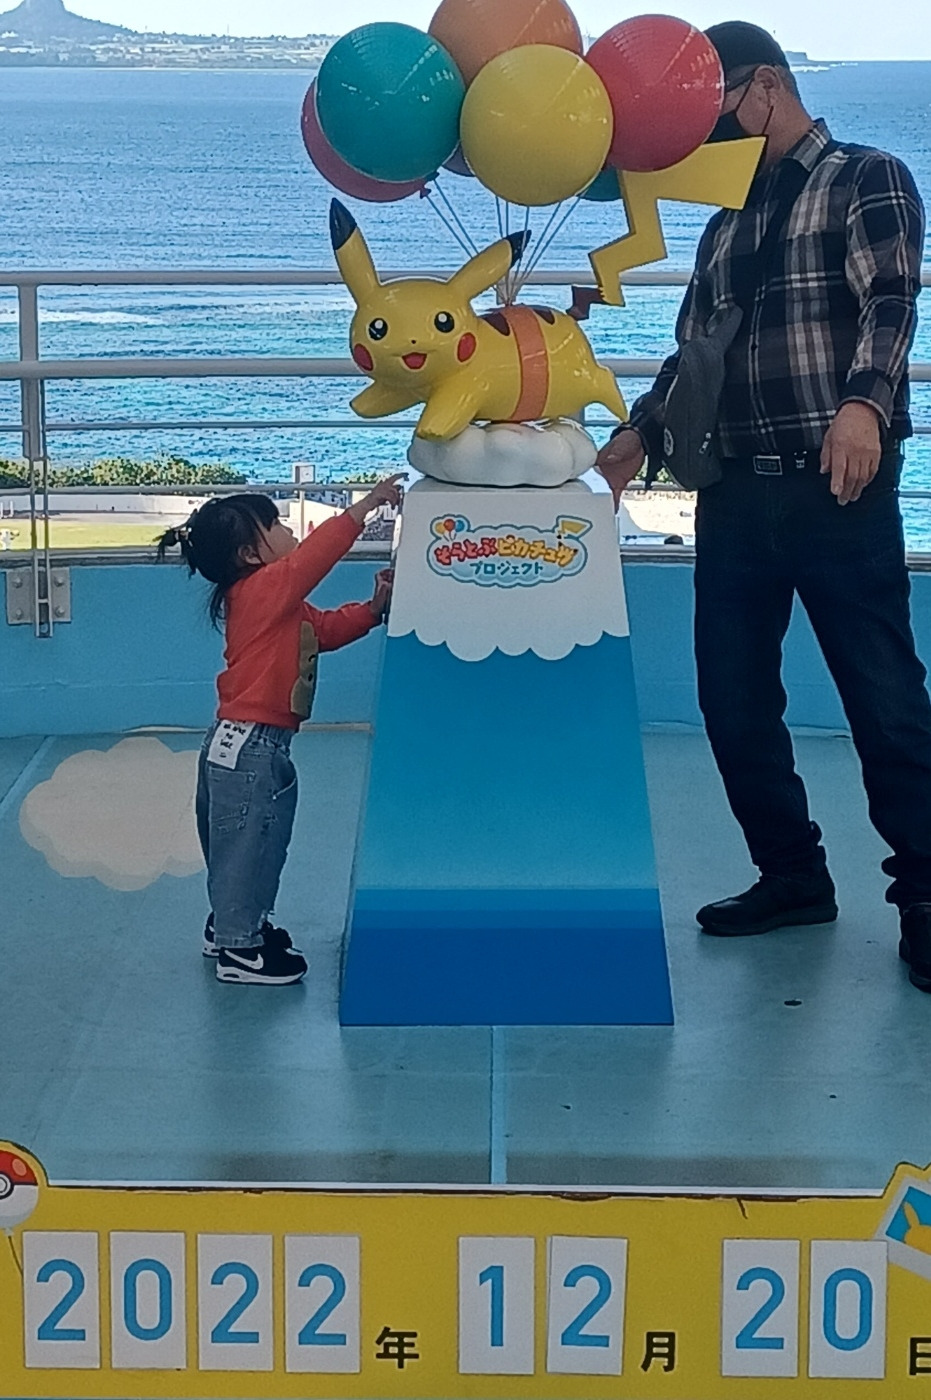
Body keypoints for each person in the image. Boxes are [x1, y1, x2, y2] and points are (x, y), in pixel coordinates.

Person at [597, 21, 931, 989]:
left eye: (717, 115)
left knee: (883, 699)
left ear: (769, 87)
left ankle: (923, 896)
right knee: (732, 699)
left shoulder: (866, 177)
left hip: (836, 487)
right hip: (735, 493)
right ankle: (791, 874)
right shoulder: (726, 219)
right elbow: (695, 353)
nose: (709, 140)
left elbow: (891, 302)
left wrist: (864, 405)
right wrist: (638, 434)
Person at [157, 477, 403, 986]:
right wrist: (364, 508)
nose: (288, 529)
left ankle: (232, 925)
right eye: (274, 524)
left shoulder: (273, 602)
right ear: (250, 555)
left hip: (243, 743)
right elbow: (311, 560)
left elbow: (322, 631)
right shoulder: (263, 589)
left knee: (242, 844)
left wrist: (373, 610)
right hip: (252, 747)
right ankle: (240, 950)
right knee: (251, 845)